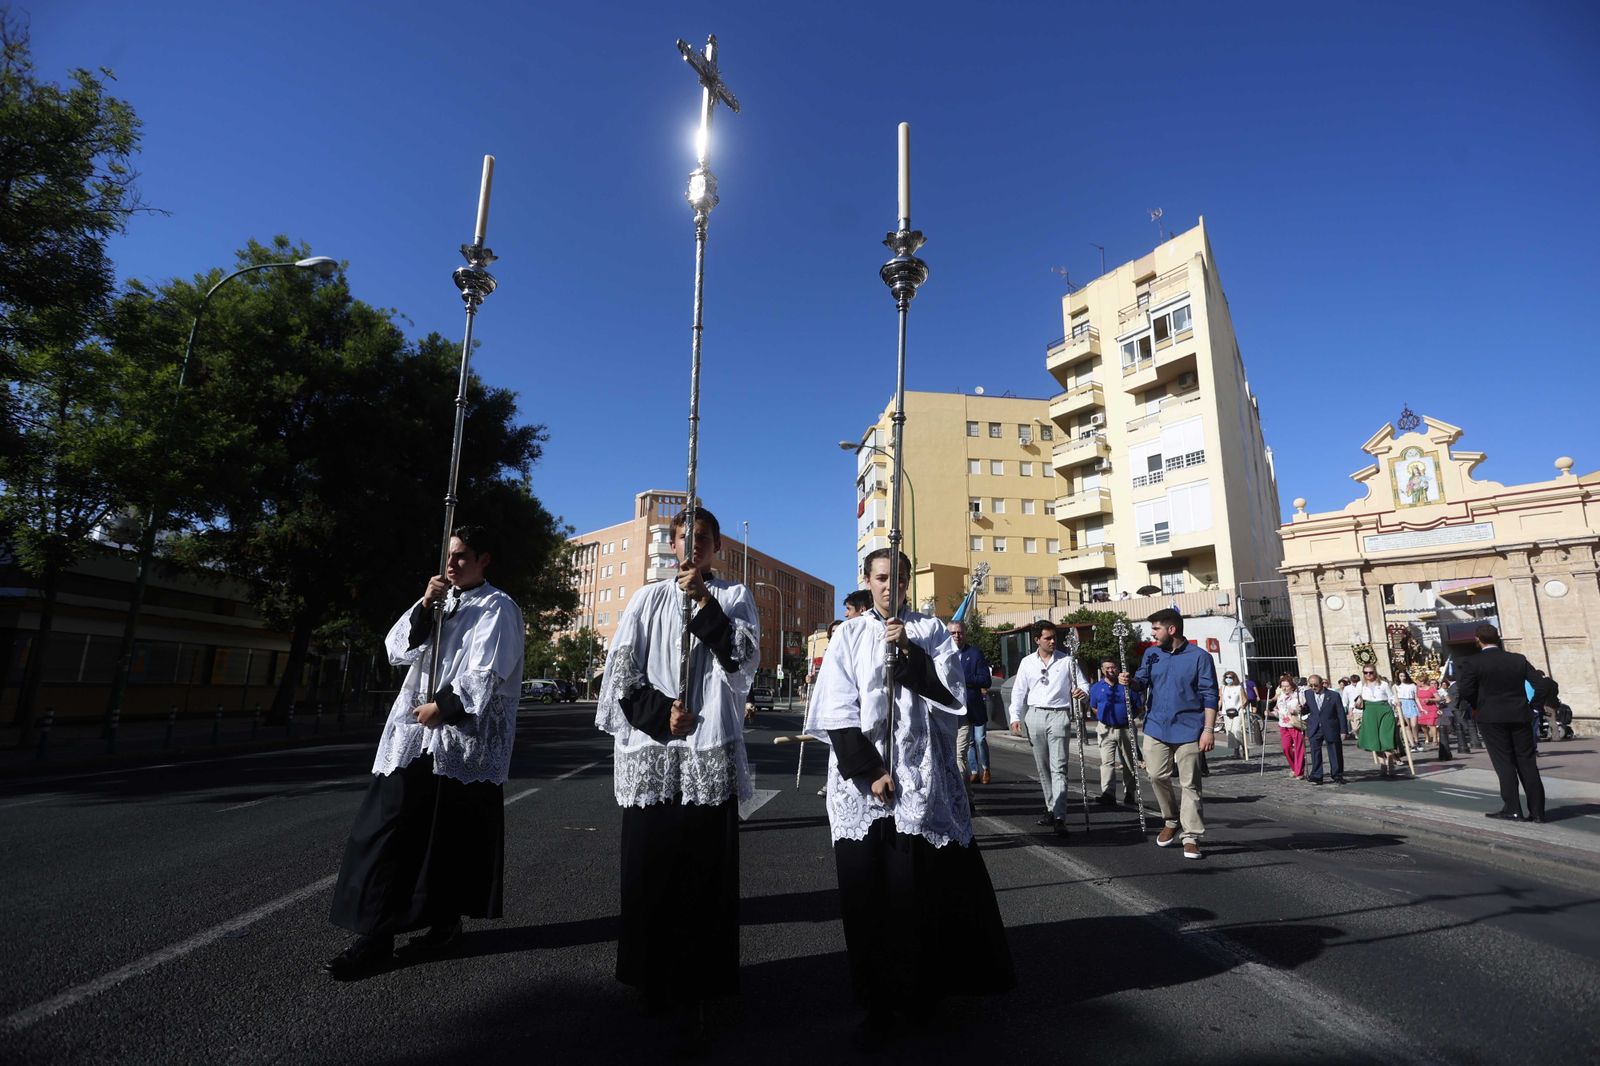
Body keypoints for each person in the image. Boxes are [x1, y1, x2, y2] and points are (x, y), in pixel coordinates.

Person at [807, 549, 1014, 1049]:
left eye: (895, 579)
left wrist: (912, 656)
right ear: (866, 580)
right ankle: (877, 1001)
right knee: (869, 896)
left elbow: (953, 697)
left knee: (920, 893)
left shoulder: (932, 631)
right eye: (879, 579)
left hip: (919, 786)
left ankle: (924, 993)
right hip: (866, 785)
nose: (887, 587)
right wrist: (869, 771)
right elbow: (836, 708)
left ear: (905, 583)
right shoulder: (849, 636)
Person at [326, 526, 524, 980]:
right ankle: (373, 935)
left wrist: (446, 707)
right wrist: (424, 606)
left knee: (446, 837)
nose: (452, 564)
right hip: (412, 734)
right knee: (386, 830)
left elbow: (487, 671)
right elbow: (397, 649)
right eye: (448, 557)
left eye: (462, 556)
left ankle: (444, 921)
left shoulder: (499, 607)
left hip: (458, 738)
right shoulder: (436, 601)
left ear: (484, 559)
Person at [595, 507, 760, 1048]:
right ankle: (651, 976)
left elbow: (739, 659)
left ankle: (698, 991)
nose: (693, 548)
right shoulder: (645, 598)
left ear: (716, 548)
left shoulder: (733, 598)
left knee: (703, 880)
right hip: (654, 754)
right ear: (671, 544)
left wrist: (705, 603)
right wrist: (659, 714)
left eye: (704, 541)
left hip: (706, 754)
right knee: (648, 873)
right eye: (684, 539)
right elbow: (621, 673)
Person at [1130, 609, 1218, 860]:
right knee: (1156, 775)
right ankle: (1170, 819)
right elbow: (1142, 681)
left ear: (1172, 630)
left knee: (1190, 784)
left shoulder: (1200, 657)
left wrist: (1208, 730)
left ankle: (1191, 836)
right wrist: (1131, 682)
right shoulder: (1151, 654)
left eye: (1156, 629)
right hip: (1156, 726)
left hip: (1190, 728)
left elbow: (1210, 694)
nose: (1152, 634)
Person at [1456, 624, 1550, 823]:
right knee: (1527, 762)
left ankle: (1513, 808)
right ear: (1498, 638)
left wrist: (1477, 705)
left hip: (1491, 717)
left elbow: (1465, 691)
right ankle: (1538, 812)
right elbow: (1542, 685)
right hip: (1520, 715)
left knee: (1504, 762)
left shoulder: (1473, 662)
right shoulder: (1517, 659)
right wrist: (1534, 707)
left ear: (1477, 640)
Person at [1007, 619, 1089, 837]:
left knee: (1059, 766)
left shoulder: (1067, 661)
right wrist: (1015, 716)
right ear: (1037, 640)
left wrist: (1082, 692)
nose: (1053, 641)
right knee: (1043, 767)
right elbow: (1018, 691)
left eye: (1054, 637)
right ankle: (1051, 807)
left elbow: (1083, 683)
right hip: (1034, 715)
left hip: (1059, 715)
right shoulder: (1027, 662)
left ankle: (1060, 816)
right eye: (1048, 638)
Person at [1088, 658, 1140, 805]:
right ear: (1102, 670)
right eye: (1107, 668)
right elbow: (1094, 707)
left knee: (1129, 763)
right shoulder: (1097, 687)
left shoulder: (1127, 686)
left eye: (1113, 667)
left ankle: (1130, 793)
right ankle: (1108, 793)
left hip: (1126, 729)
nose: (1110, 670)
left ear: (1117, 668)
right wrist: (1103, 717)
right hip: (1105, 729)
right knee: (1107, 763)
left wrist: (1127, 717)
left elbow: (1138, 706)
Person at [949, 620, 992, 786]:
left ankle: (984, 770)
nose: (957, 636)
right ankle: (973, 773)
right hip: (948, 711)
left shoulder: (974, 654)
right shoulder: (941, 654)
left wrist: (962, 679)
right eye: (953, 633)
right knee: (957, 753)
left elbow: (985, 680)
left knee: (977, 740)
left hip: (970, 709)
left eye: (959, 633)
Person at [1354, 666, 1401, 776]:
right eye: (1366, 673)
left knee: (1386, 738)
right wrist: (1356, 703)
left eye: (1370, 672)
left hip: (1384, 710)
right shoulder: (1360, 685)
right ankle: (1382, 765)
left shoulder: (1383, 684)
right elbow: (1356, 699)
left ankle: (1390, 764)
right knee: (1375, 739)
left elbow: (1391, 697)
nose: (1368, 675)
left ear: (1375, 672)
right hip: (1369, 710)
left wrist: (1396, 701)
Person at [1302, 675, 1347, 785]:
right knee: (1315, 752)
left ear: (1322, 683)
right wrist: (1302, 709)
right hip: (1315, 727)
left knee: (1335, 751)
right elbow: (1309, 708)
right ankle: (1317, 775)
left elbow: (1341, 713)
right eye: (1311, 685)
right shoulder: (1308, 694)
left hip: (1331, 726)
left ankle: (1337, 775)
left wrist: (1343, 730)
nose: (1313, 687)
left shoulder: (1334, 695)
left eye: (1315, 685)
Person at [1274, 675, 1307, 778]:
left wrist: (1297, 710)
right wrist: (1271, 713)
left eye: (1287, 686)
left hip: (1295, 724)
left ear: (1292, 686)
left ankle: (1299, 772)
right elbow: (1279, 712)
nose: (1284, 688)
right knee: (1286, 748)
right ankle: (1294, 767)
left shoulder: (1298, 696)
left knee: (1298, 748)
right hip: (1283, 725)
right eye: (1282, 686)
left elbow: (1304, 710)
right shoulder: (1280, 697)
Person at [1395, 671, 1421, 749]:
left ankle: (1416, 740)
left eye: (1404, 676)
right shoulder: (1396, 686)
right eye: (1401, 676)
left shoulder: (1412, 685)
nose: (1402, 677)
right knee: (1407, 726)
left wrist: (1420, 707)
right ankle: (1412, 744)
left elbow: (1416, 697)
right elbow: (1394, 697)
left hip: (1411, 702)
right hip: (1402, 704)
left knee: (1414, 724)